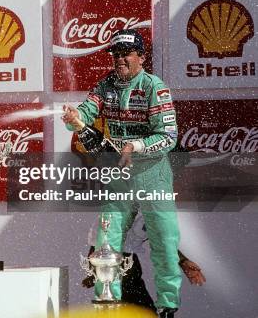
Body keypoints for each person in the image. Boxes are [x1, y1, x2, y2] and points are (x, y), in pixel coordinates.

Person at [62, 29, 182, 318]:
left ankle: (167, 307)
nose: (119, 60)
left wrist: (135, 145)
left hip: (153, 174)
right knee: (106, 240)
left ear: (140, 57)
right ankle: (108, 303)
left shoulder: (155, 87)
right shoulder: (105, 86)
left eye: (125, 54)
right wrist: (74, 118)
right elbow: (83, 115)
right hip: (121, 178)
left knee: (164, 241)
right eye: (115, 55)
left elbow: (169, 136)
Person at [82, 213, 206, 313]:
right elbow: (96, 244)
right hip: (116, 264)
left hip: (128, 264)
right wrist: (93, 271)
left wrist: (183, 261)